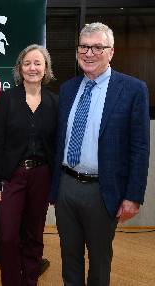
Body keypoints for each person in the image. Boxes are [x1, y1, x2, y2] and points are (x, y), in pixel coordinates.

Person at [49, 22, 150, 286]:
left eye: (97, 47)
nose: (89, 53)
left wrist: (133, 195)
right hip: (66, 188)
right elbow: (59, 139)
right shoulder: (68, 88)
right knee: (69, 256)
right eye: (84, 46)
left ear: (111, 52)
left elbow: (140, 147)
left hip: (103, 191)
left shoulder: (132, 89)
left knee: (99, 258)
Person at [0, 44, 57, 286]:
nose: (32, 68)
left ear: (45, 68)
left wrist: (55, 185)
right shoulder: (6, 98)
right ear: (20, 68)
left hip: (42, 176)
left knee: (34, 236)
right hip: (12, 176)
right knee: (7, 237)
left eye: (38, 63)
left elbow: (57, 145)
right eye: (27, 63)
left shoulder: (54, 101)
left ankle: (30, 281)